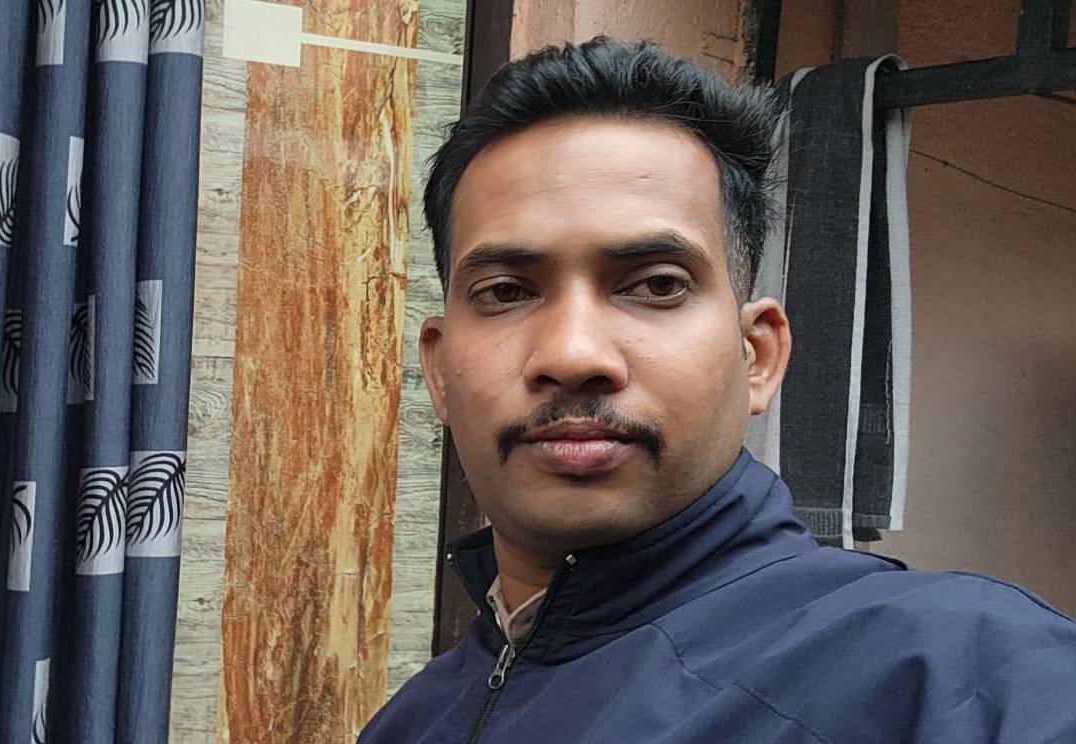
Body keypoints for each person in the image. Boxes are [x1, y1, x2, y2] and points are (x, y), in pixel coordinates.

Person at [359, 37, 1076, 743]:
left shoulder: (957, 675)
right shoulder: (413, 722)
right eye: (507, 291)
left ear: (757, 355)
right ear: (440, 371)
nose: (573, 354)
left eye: (656, 285)